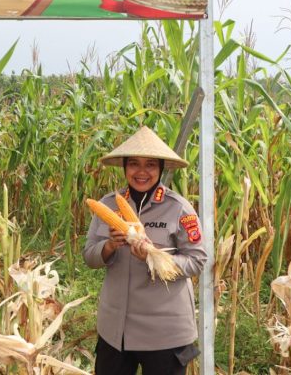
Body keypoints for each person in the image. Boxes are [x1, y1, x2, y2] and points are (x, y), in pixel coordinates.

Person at [82, 126, 207, 375]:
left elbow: (197, 261)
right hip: (116, 330)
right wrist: (109, 246)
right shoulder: (108, 204)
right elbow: (89, 256)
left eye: (150, 165)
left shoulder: (179, 209)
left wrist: (153, 257)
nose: (141, 172)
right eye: (134, 164)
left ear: (160, 169)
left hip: (164, 331)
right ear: (124, 167)